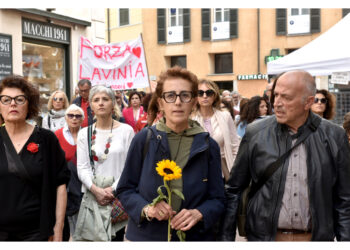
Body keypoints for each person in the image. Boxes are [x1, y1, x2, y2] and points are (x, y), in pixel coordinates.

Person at [220, 70, 350, 241]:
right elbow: (234, 190)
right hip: (264, 238)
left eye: (286, 97)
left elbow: (344, 200)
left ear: (308, 102)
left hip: (314, 239)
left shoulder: (334, 136)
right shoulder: (256, 133)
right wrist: (226, 240)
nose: (277, 104)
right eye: (276, 95)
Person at [116, 66, 225, 241]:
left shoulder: (207, 145)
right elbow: (125, 189)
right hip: (148, 237)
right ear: (160, 103)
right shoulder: (144, 139)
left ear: (193, 101)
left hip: (193, 237)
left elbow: (218, 199)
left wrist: (199, 213)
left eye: (185, 95)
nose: (178, 102)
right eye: (170, 95)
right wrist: (147, 209)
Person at [0, 75, 70, 241]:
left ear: (29, 104)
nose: (12, 104)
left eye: (19, 99)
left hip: (36, 232)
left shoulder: (46, 139)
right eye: (5, 99)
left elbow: (60, 185)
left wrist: (58, 227)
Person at [76, 85, 134, 241]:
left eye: (105, 99)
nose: (101, 103)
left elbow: (130, 167)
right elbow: (82, 168)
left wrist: (112, 190)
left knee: (116, 238)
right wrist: (96, 190)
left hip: (118, 198)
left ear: (113, 103)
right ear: (91, 105)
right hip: (93, 198)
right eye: (96, 100)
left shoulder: (126, 130)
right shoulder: (84, 133)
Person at [192, 79, 240, 182]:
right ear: (196, 97)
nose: (204, 96)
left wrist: (234, 169)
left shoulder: (225, 116)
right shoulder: (190, 120)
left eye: (209, 93)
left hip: (224, 170)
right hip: (200, 173)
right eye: (200, 93)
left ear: (214, 96)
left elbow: (235, 146)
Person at [55, 104, 84, 238]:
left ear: (82, 119)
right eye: (71, 115)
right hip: (64, 184)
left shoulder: (87, 134)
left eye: (78, 116)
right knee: (65, 218)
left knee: (81, 220)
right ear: (66, 118)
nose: (74, 118)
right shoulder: (57, 134)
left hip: (83, 183)